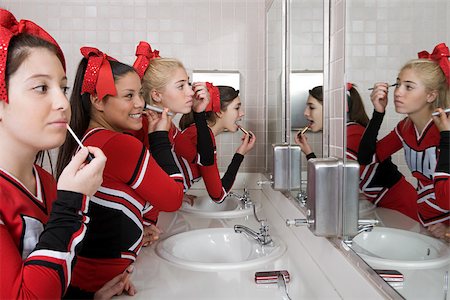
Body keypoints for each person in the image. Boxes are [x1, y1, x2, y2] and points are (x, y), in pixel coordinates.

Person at [0, 9, 131, 299]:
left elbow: (50, 273)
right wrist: (72, 201)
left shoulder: (46, 181)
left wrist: (87, 297)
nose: (62, 102)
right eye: (41, 88)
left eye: (63, 87)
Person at [56, 46, 185, 297]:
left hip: (86, 280)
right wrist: (159, 138)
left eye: (139, 94)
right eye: (128, 96)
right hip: (104, 284)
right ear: (97, 100)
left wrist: (136, 229)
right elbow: (174, 198)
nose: (140, 103)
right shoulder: (120, 144)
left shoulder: (90, 138)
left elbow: (105, 213)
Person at [358, 43, 450, 239]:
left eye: (408, 87)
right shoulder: (405, 128)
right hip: (428, 224)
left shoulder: (445, 129)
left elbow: (446, 196)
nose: (398, 92)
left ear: (431, 95)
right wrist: (378, 113)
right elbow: (367, 158)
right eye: (398, 84)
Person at [295, 85, 418, 221]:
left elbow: (329, 183)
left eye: (311, 107)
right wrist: (308, 151)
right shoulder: (341, 135)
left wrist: (309, 155)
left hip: (402, 206)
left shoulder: (352, 135)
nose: (305, 113)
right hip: (387, 207)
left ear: (333, 109)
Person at [132, 41, 216, 206]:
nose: (191, 92)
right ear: (156, 95)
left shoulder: (168, 127)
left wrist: (199, 113)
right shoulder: (139, 127)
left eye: (189, 84)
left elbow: (204, 159)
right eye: (180, 86)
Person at [178, 86, 256, 202]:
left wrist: (179, 194)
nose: (242, 113)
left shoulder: (193, 131)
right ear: (219, 112)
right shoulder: (203, 137)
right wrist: (240, 154)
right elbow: (218, 195)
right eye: (237, 108)